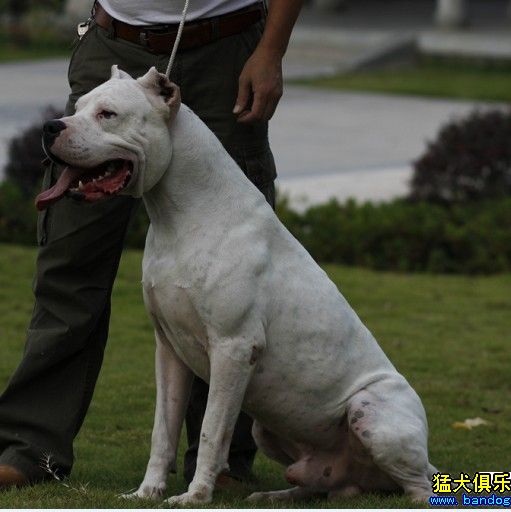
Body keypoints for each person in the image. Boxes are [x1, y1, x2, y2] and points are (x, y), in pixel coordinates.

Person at [0, 0, 303, 489]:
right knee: (69, 261)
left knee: (228, 275)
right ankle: (31, 449)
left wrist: (271, 50)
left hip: (225, 50)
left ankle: (220, 465)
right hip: (112, 45)